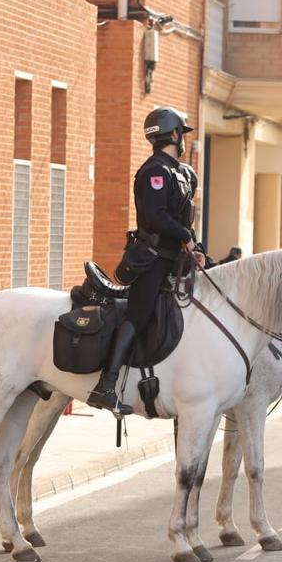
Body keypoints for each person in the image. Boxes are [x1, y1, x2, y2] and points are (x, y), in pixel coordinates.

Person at [88, 106, 204, 414]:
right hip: (153, 259)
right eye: (182, 134)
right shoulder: (154, 171)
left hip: (178, 259)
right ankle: (107, 386)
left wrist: (197, 245)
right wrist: (184, 235)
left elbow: (184, 222)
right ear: (176, 134)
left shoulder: (185, 173)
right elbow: (154, 217)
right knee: (137, 316)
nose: (183, 141)